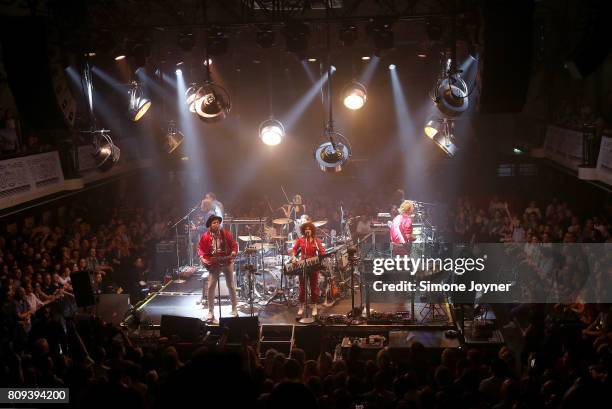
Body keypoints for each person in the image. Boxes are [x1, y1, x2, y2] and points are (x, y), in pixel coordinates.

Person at [197, 215, 238, 321]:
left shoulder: (226, 234)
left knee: (231, 286)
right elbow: (200, 248)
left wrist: (233, 251)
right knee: (210, 287)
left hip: (227, 262)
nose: (216, 224)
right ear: (210, 225)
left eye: (217, 222)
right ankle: (210, 312)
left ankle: (234, 309)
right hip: (214, 264)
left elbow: (234, 244)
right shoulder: (205, 236)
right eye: (214, 223)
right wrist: (202, 258)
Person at [291, 221, 325, 317]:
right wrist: (294, 258)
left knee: (314, 287)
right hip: (303, 265)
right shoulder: (301, 240)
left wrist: (321, 253)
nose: (307, 230)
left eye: (309, 229)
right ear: (303, 231)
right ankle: (301, 306)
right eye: (306, 229)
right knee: (302, 287)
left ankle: (314, 305)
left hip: (314, 266)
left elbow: (322, 252)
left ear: (312, 230)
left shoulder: (316, 240)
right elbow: (294, 250)